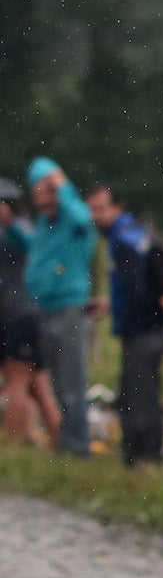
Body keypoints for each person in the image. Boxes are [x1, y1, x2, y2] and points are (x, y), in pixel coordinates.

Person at [85, 185, 163, 464]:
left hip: (143, 330)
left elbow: (138, 289)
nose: (95, 217)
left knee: (139, 396)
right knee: (139, 391)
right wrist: (112, 305)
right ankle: (143, 453)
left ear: (117, 207)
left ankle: (142, 457)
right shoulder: (132, 233)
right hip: (148, 327)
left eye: (101, 209)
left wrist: (130, 316)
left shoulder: (124, 240)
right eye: (91, 210)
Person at [17, 158, 99, 456]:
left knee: (72, 383)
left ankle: (78, 448)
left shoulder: (73, 222)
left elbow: (82, 217)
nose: (41, 195)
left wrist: (61, 184)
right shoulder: (44, 225)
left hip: (69, 310)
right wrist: (11, 225)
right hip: (46, 309)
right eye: (37, 189)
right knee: (57, 383)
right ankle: (67, 444)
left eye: (46, 188)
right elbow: (36, 249)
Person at [0, 177, 62, 448]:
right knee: (38, 385)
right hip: (32, 314)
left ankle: (13, 448)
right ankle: (59, 444)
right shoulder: (28, 229)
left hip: (16, 316)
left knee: (16, 383)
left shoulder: (14, 232)